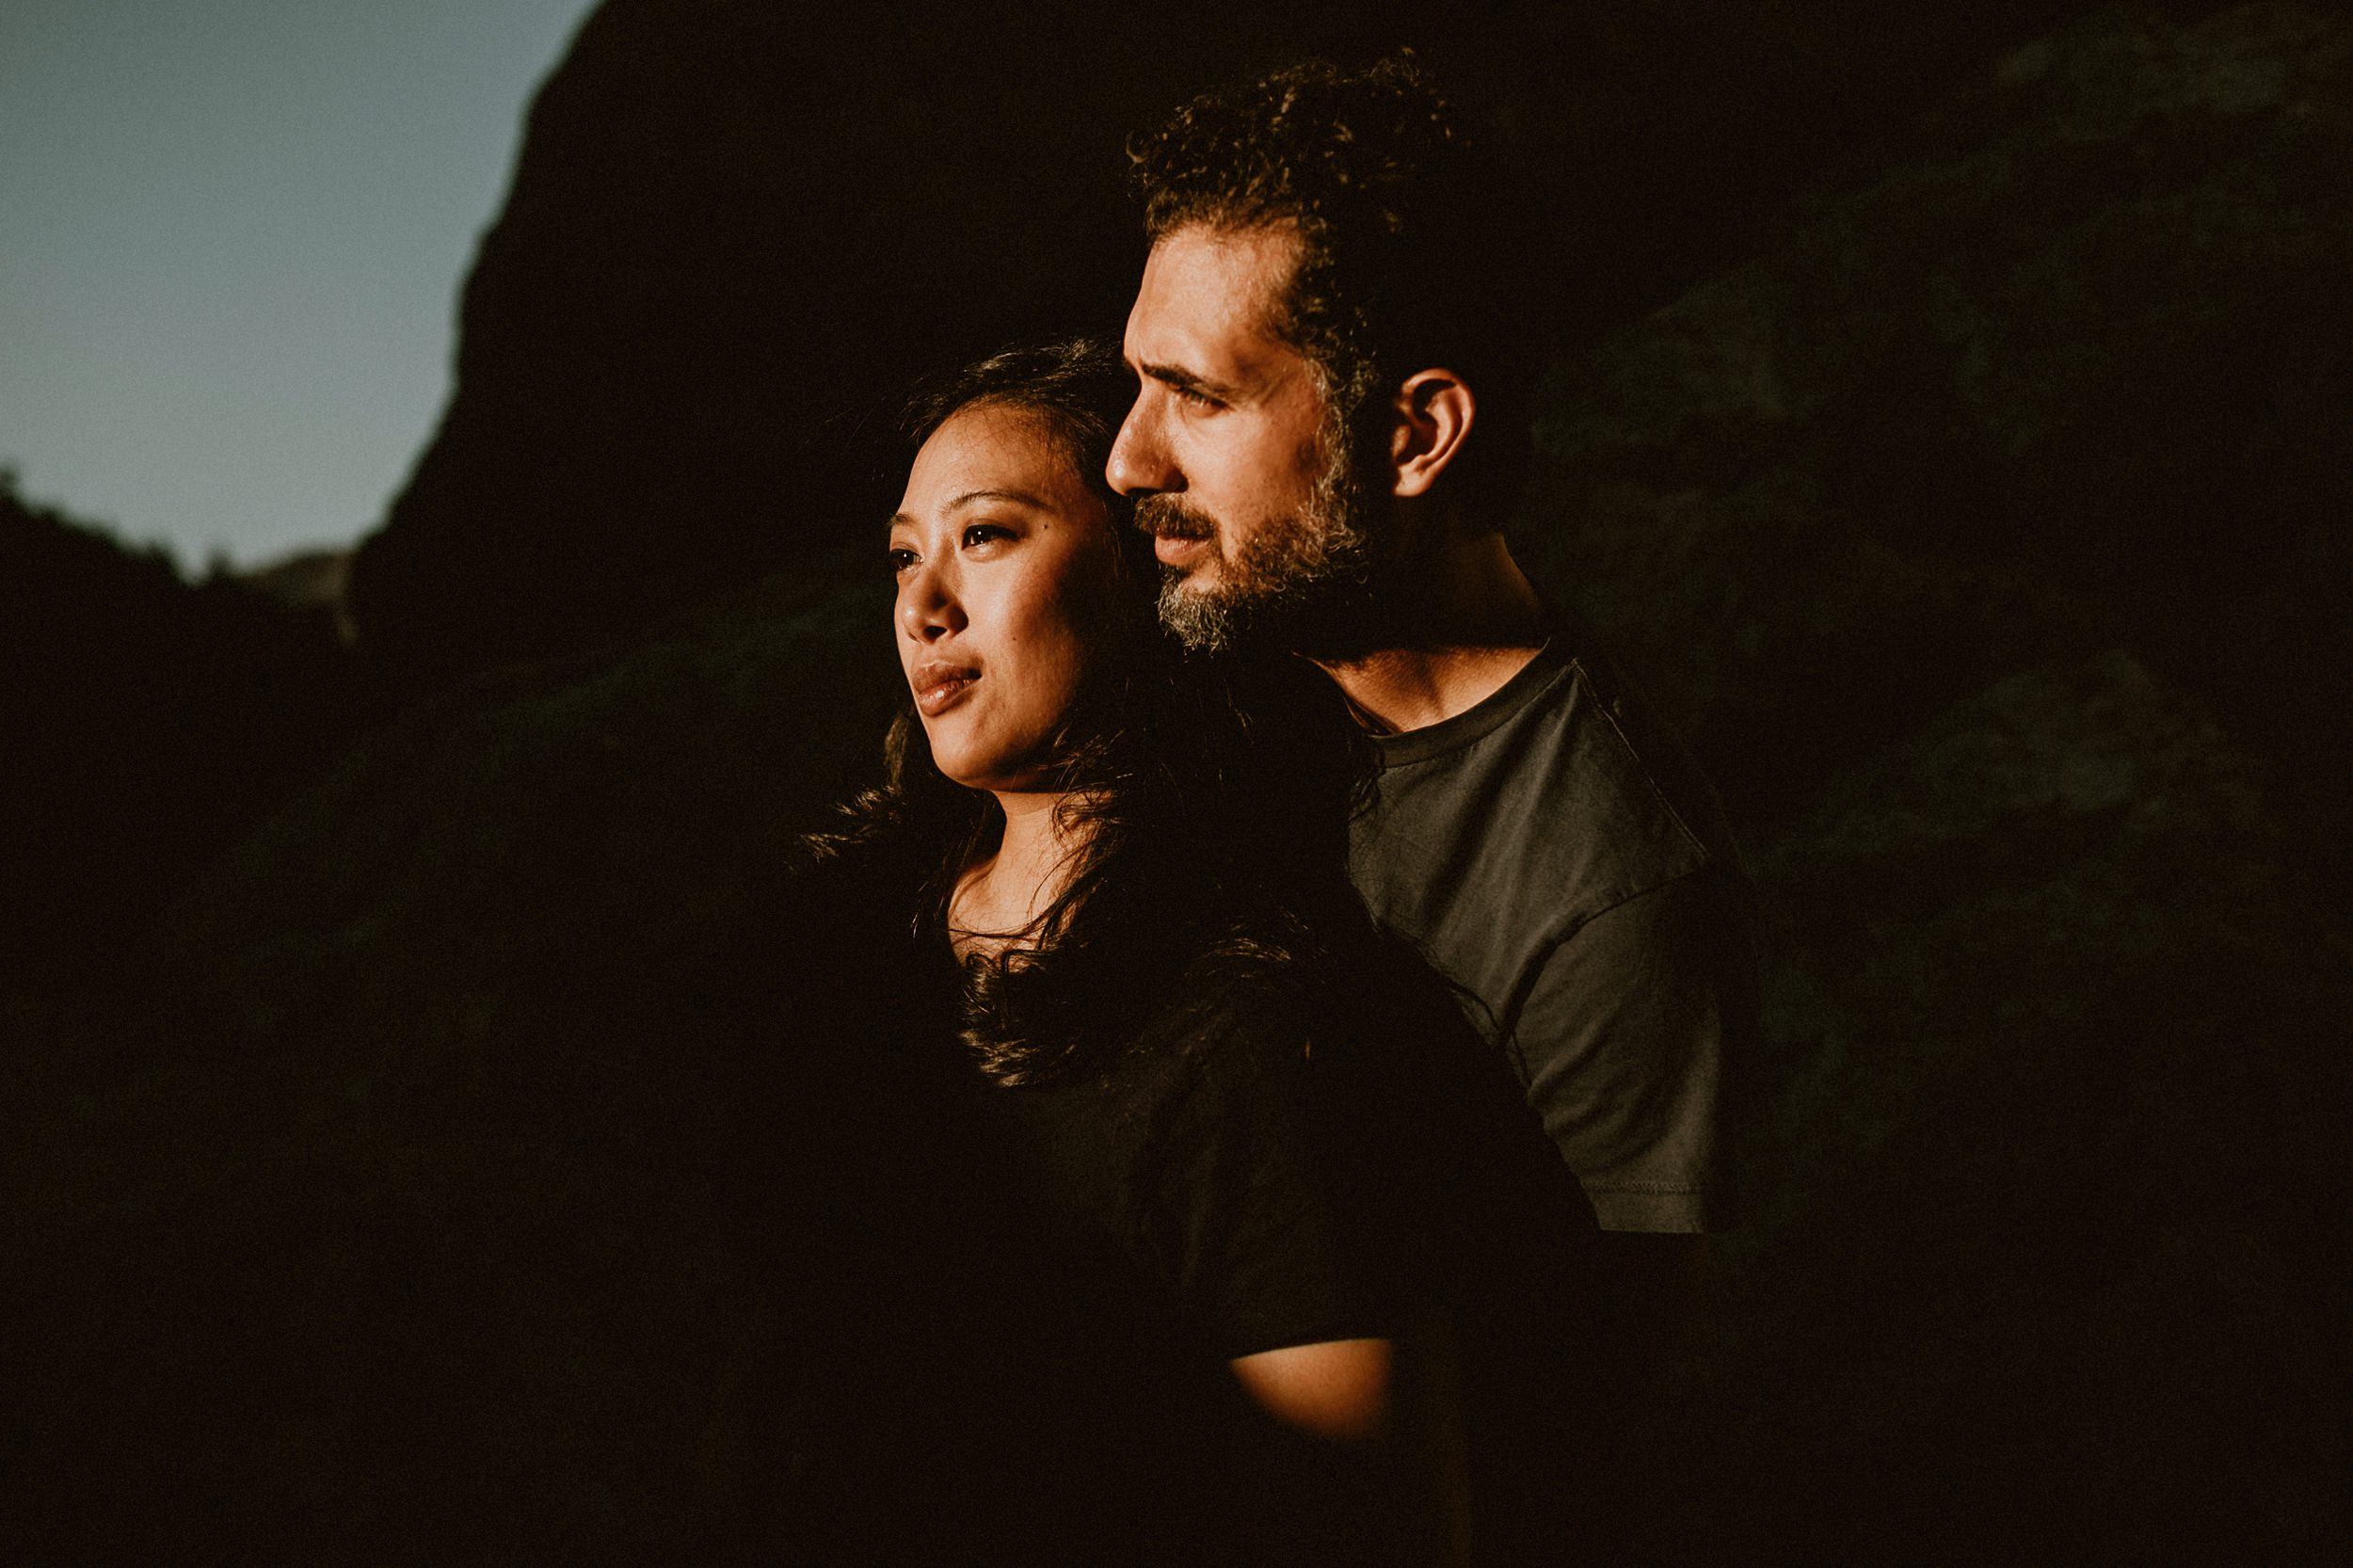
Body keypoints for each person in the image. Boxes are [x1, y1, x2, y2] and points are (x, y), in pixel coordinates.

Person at [786, 340, 1598, 1565]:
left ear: (1153, 567)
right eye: (904, 553)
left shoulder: (1259, 1040)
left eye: (987, 535)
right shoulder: (847, 960)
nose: (922, 603)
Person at [1105, 56, 1763, 1460]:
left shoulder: (1613, 897)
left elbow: (1574, 1433)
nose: (1125, 459)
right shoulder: (1195, 657)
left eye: (1196, 398)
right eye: (1132, 385)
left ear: (1414, 434)